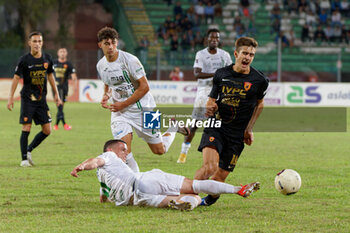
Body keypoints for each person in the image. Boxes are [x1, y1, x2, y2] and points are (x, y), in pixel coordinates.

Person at [70, 139, 260, 211]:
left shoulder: (102, 177)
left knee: (189, 199)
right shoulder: (108, 155)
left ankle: (188, 202)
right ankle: (238, 189)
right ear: (111, 149)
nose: (125, 153)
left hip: (136, 199)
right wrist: (80, 166)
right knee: (195, 186)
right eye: (123, 149)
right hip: (143, 180)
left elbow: (103, 196)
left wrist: (104, 200)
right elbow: (94, 161)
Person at [96, 27, 189, 173]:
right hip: (120, 113)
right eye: (107, 43)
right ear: (100, 45)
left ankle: (173, 127)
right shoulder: (101, 65)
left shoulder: (130, 60)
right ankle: (135, 186)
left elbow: (145, 87)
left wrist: (124, 104)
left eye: (113, 43)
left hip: (146, 108)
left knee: (159, 150)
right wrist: (106, 95)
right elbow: (108, 83)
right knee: (123, 153)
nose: (111, 47)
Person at [195, 37, 269, 206]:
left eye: (251, 55)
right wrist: (210, 106)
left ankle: (206, 202)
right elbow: (211, 100)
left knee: (219, 178)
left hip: (237, 135)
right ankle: (186, 195)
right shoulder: (221, 74)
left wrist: (249, 129)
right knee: (209, 168)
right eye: (245, 53)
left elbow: (260, 104)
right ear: (236, 53)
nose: (248, 57)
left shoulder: (260, 80)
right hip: (217, 127)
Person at [7, 31, 62, 167]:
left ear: (42, 43)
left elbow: (50, 77)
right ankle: (24, 159)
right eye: (35, 41)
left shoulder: (47, 59)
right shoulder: (24, 60)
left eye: (39, 41)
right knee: (27, 126)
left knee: (47, 130)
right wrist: (10, 98)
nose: (37, 44)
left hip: (41, 100)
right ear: (29, 43)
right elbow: (16, 78)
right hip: (27, 99)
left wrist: (57, 94)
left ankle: (29, 149)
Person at [177, 28, 232, 164]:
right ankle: (183, 153)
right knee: (195, 124)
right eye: (212, 38)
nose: (214, 40)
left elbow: (231, 71)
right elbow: (197, 73)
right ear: (207, 39)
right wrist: (216, 74)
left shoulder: (224, 55)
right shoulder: (201, 54)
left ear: (219, 40)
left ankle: (221, 155)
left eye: (217, 38)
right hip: (204, 92)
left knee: (220, 125)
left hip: (220, 92)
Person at [53, 48, 78, 131]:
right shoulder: (54, 63)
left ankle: (58, 125)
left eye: (64, 52)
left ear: (66, 53)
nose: (62, 53)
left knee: (60, 107)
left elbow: (74, 76)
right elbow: (49, 74)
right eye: (61, 52)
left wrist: (74, 86)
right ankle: (62, 125)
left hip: (64, 88)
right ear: (58, 53)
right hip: (55, 87)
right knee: (59, 107)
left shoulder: (68, 64)